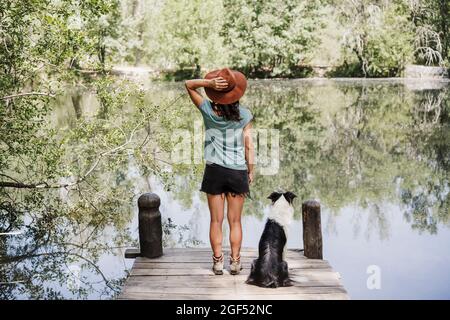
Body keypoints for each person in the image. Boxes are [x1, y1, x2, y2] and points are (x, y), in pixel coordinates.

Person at [185, 67, 254, 275]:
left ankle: (217, 262)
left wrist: (208, 84)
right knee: (235, 221)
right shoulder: (245, 115)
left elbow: (188, 85)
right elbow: (249, 145)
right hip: (237, 172)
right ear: (237, 93)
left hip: (214, 170)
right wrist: (250, 171)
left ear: (216, 93)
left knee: (216, 220)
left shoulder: (207, 109)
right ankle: (234, 262)